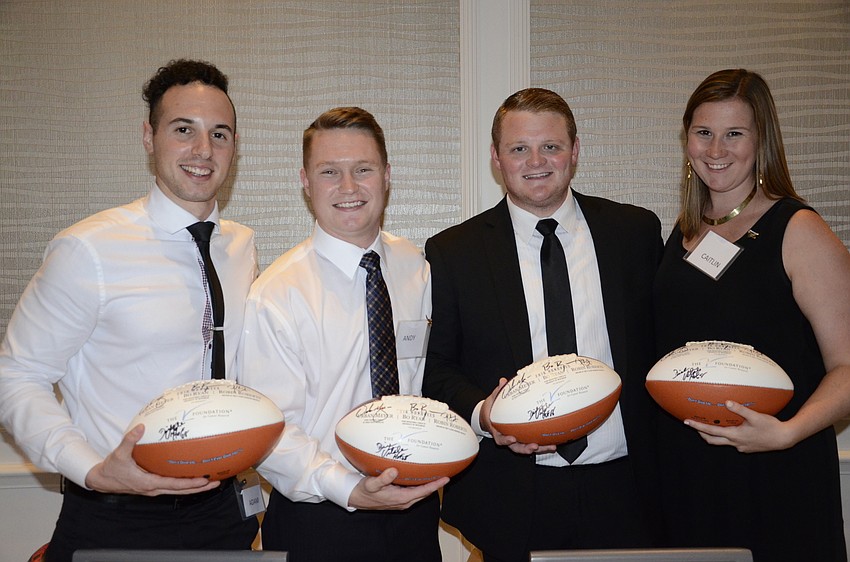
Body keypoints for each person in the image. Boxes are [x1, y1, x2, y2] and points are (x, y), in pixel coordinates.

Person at [0, 59, 259, 561]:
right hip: (115, 513)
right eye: (184, 130)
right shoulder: (88, 249)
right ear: (149, 136)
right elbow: (17, 374)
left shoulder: (241, 246)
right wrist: (90, 469)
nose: (203, 150)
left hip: (223, 512)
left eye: (220, 134)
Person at [422, 87, 664, 562]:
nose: (537, 161)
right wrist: (484, 415)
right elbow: (438, 369)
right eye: (519, 148)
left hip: (627, 488)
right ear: (496, 158)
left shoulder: (634, 233)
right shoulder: (454, 252)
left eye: (551, 146)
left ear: (574, 151)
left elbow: (663, 344)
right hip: (512, 494)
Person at [653, 68, 850, 561]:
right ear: (687, 139)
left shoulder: (799, 228)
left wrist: (786, 433)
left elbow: (848, 366)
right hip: (690, 474)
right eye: (704, 132)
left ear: (761, 140)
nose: (716, 149)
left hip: (774, 472)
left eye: (734, 133)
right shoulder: (683, 234)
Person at [239, 106, 446, 562]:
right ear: (305, 181)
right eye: (330, 172)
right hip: (320, 520)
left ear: (387, 175)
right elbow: (270, 432)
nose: (349, 188)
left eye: (363, 170)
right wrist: (352, 489)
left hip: (414, 514)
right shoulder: (277, 293)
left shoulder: (417, 268)